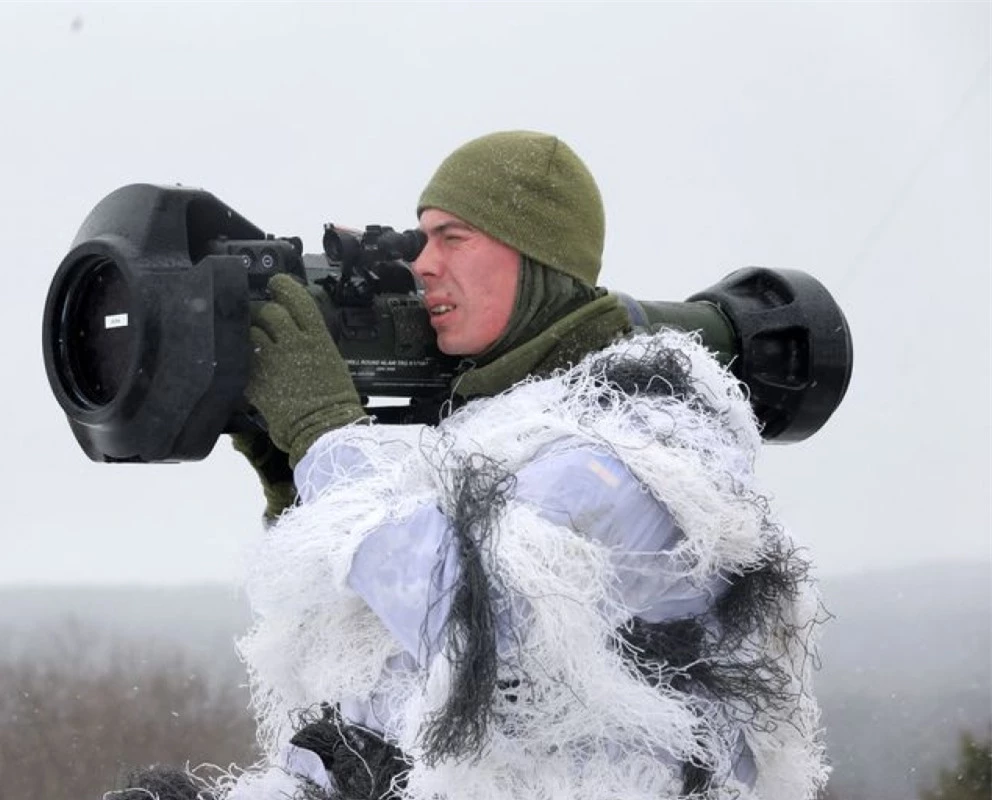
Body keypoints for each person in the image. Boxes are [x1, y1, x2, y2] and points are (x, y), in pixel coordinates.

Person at [212, 131, 828, 800]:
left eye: (453, 238)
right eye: (423, 239)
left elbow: (479, 628)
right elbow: (377, 653)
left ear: (536, 256)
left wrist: (326, 436)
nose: (422, 265)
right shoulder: (491, 424)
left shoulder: (637, 443)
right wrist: (297, 481)